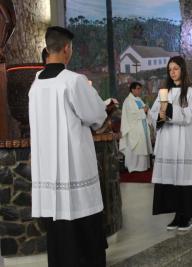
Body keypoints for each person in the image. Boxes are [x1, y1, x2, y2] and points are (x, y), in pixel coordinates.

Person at [29, 26, 108, 267]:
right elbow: (96, 115)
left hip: (48, 173)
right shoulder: (73, 81)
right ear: (66, 49)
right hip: (74, 168)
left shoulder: (35, 84)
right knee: (84, 226)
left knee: (59, 232)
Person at [150, 56, 192, 231]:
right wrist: (159, 116)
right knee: (172, 180)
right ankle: (177, 215)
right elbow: (153, 114)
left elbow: (191, 114)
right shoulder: (164, 93)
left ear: (182, 69)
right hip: (168, 142)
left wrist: (169, 110)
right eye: (170, 69)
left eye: (175, 68)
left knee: (184, 178)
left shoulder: (191, 92)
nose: (172, 72)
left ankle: (186, 216)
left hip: (185, 142)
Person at [119, 81, 152, 172]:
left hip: (142, 126)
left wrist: (146, 110)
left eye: (140, 89)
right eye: (138, 89)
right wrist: (143, 111)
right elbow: (131, 115)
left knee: (142, 145)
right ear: (132, 89)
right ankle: (134, 166)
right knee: (136, 146)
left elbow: (143, 110)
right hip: (134, 128)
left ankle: (143, 166)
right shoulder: (128, 101)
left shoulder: (138, 99)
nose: (140, 90)